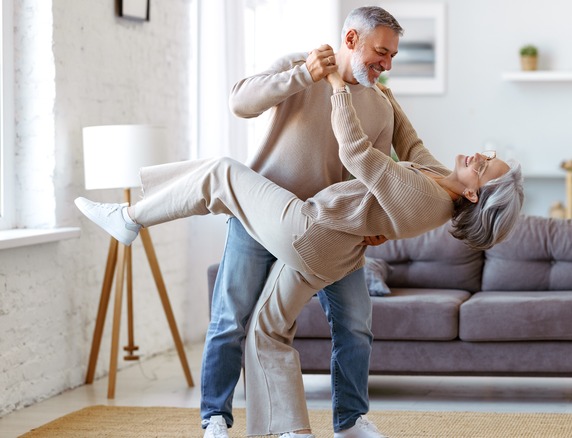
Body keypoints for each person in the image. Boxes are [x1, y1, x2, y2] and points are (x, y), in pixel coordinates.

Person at [75, 71, 525, 437]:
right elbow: (410, 143)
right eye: (486, 156)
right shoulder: (437, 179)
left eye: (484, 167)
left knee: (222, 174)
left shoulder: (425, 199)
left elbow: (358, 153)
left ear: (471, 195)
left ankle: (130, 217)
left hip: (308, 230)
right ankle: (291, 429)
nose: (479, 156)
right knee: (268, 328)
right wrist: (387, 97)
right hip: (332, 247)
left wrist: (337, 89)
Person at [202, 6, 405, 438]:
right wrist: (303, 76)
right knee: (230, 318)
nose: (387, 64)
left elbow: (373, 175)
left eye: (391, 56)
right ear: (351, 40)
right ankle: (214, 417)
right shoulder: (301, 65)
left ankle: (349, 421)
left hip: (328, 232)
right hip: (259, 218)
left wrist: (374, 221)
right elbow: (239, 102)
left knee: (355, 324)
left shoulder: (381, 107)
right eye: (381, 52)